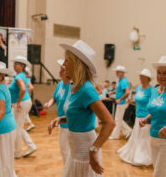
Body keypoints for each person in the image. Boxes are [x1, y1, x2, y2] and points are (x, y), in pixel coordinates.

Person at [48, 40, 115, 177]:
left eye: (68, 61)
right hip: (75, 149)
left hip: (85, 149)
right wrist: (60, 119)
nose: (64, 64)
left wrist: (93, 150)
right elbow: (78, 115)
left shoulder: (86, 90)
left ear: (77, 64)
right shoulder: (74, 86)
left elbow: (110, 123)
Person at [117, 68, 153, 166]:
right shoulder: (138, 88)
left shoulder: (151, 90)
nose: (140, 78)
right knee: (136, 136)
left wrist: (147, 117)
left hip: (145, 117)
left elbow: (152, 105)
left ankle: (142, 157)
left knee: (143, 138)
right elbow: (138, 102)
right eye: (140, 76)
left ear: (147, 78)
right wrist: (131, 102)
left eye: (142, 77)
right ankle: (134, 154)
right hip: (138, 116)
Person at [9, 56, 37, 158]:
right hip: (23, 102)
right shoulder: (21, 75)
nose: (13, 65)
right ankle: (30, 146)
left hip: (21, 103)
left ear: (21, 66)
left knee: (17, 127)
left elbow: (23, 89)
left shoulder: (19, 77)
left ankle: (17, 152)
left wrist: (19, 102)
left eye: (16, 64)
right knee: (18, 127)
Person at [45, 59, 71, 164]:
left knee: (66, 151)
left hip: (69, 124)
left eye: (63, 70)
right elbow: (54, 97)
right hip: (61, 122)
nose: (60, 71)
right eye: (60, 69)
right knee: (64, 150)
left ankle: (69, 171)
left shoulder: (72, 86)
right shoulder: (60, 84)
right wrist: (49, 103)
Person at [109, 65, 132, 139]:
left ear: (122, 73)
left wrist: (119, 99)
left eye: (118, 71)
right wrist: (113, 92)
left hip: (122, 103)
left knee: (117, 120)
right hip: (121, 102)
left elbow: (127, 92)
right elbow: (120, 90)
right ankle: (128, 131)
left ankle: (115, 136)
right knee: (119, 119)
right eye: (116, 71)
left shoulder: (124, 81)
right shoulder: (120, 80)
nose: (116, 73)